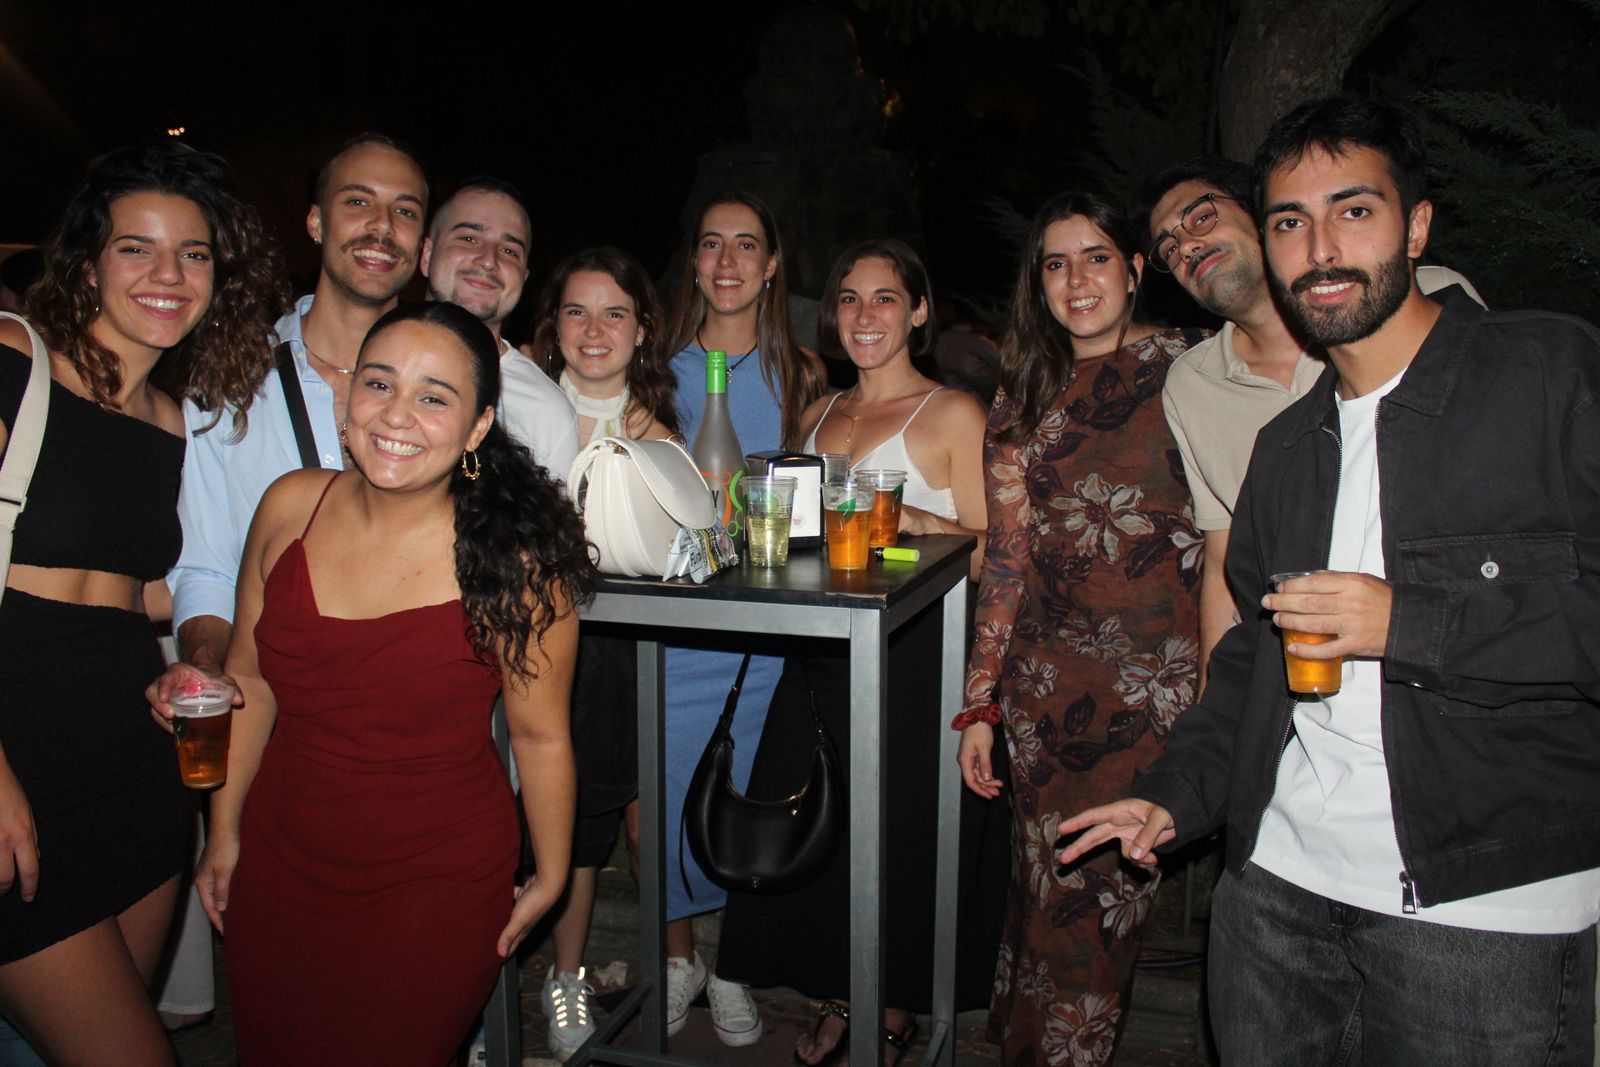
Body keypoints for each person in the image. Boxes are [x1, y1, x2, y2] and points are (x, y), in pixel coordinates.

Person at [1062, 96, 1600, 1066]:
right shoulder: (1284, 450)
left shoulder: (1548, 374)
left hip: (1484, 912)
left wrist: (1412, 623)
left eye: (1353, 210)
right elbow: (1248, 664)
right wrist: (1178, 794)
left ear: (1417, 226)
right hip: (1276, 896)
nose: (1320, 249)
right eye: (1289, 222)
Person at [168, 301, 595, 1062]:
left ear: (477, 428)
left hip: (435, 885)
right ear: (347, 397)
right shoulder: (289, 506)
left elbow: (540, 735)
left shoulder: (519, 563)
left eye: (435, 396)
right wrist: (224, 830)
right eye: (379, 383)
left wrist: (553, 872)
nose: (398, 415)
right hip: (278, 864)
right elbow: (249, 681)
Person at [0, 142, 281, 1065]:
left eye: (194, 253)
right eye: (137, 248)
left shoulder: (173, 419)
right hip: (18, 746)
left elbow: (151, 586)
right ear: (87, 263)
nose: (170, 274)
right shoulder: (13, 361)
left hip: (134, 756)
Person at [718, 238, 1007, 1065]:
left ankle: (892, 1000)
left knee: (902, 833)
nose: (865, 314)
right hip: (822, 651)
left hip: (918, 651)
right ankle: (845, 987)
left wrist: (916, 520)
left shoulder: (953, 412)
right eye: (849, 297)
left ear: (919, 310)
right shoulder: (817, 412)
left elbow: (996, 552)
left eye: (885, 298)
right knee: (823, 823)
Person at [954, 193, 1204, 1066]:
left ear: (1134, 269)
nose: (1077, 280)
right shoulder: (1023, 391)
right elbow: (1008, 559)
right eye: (1056, 264)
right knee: (1042, 894)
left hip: (1151, 690)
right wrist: (979, 704)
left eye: (1096, 257)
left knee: (1096, 913)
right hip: (1042, 693)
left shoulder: (1195, 370)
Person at [1138, 156, 1483, 684]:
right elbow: (1225, 557)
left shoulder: (1424, 300)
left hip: (1459, 643)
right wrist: (1214, 704)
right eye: (1168, 247)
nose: (1185, 246)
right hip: (1308, 675)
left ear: (1264, 217)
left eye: (1201, 218)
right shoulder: (1192, 384)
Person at [167, 132, 429, 680]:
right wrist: (210, 673)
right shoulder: (232, 380)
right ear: (315, 222)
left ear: (423, 245)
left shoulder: (453, 394)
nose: (382, 226)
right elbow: (206, 570)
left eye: (404, 211)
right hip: (269, 701)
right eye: (357, 201)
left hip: (415, 698)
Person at [658, 191, 826, 1044]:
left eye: (746, 245)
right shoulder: (656, 370)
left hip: (766, 628)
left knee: (755, 790)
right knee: (664, 787)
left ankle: (733, 964)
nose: (727, 261)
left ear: (771, 266)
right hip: (676, 621)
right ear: (693, 262)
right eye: (711, 243)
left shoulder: (802, 373)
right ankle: (678, 953)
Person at [523, 246, 679, 1060]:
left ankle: (567, 977)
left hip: (607, 651)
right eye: (576, 311)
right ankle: (475, 998)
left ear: (641, 329)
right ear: (552, 325)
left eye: (614, 312)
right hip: (509, 638)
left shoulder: (658, 430)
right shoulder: (515, 406)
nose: (594, 330)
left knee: (581, 824)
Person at [421, 176, 580, 478]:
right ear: (427, 254)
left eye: (509, 251)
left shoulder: (546, 411)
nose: (488, 260)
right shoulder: (363, 365)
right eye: (469, 238)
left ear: (523, 277)